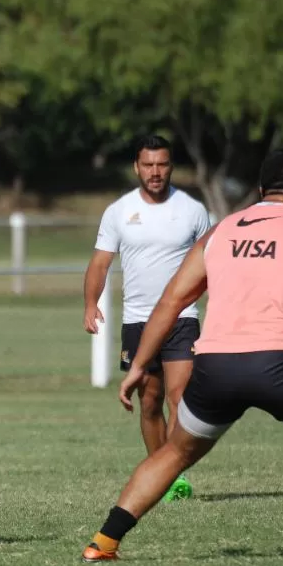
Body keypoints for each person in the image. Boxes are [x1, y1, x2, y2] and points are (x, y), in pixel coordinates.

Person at [82, 148, 283, 562]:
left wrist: (137, 365)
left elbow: (171, 300)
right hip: (282, 365)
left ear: (260, 190)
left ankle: (103, 542)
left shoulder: (222, 230)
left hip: (216, 368)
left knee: (175, 453)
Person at [83, 134, 211, 500]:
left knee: (179, 396)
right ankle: (162, 472)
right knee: (150, 401)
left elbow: (212, 263)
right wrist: (91, 303)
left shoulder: (193, 211)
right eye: (148, 165)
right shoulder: (118, 212)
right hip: (137, 321)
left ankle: (175, 474)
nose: (155, 172)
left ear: (171, 166)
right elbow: (100, 262)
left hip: (182, 317)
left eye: (162, 164)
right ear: (137, 167)